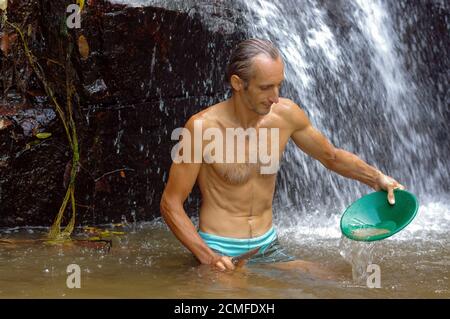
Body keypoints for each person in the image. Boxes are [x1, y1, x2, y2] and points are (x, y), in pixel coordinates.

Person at [160, 38, 404, 273]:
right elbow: (170, 203)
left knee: (337, 284)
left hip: (268, 248)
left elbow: (332, 157)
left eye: (279, 85)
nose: (275, 97)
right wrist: (208, 257)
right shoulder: (201, 128)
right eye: (266, 87)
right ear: (237, 83)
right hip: (218, 248)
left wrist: (377, 178)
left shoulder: (285, 115)